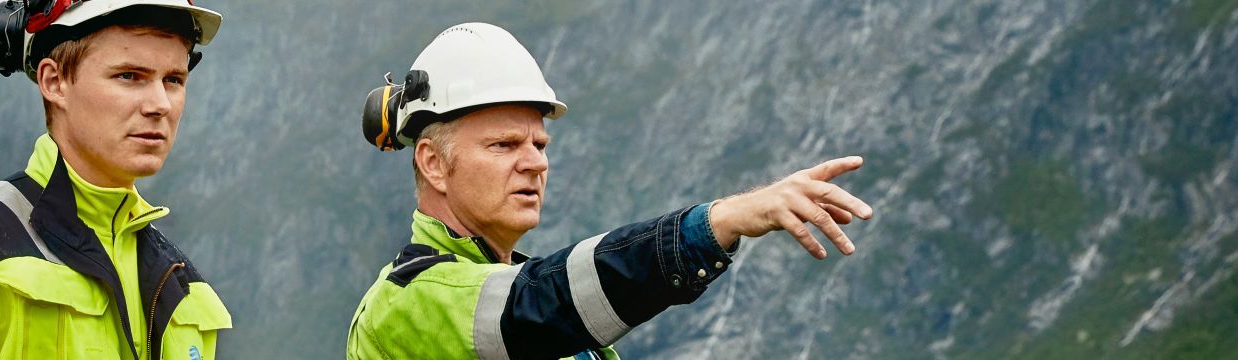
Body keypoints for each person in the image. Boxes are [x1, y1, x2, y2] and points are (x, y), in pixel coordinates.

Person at [346, 23, 879, 360]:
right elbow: (538, 305)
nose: (535, 162)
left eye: (539, 143)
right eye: (504, 145)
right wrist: (718, 222)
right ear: (433, 164)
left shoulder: (550, 320)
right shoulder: (405, 302)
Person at [0, 1, 232, 358]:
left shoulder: (183, 285)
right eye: (129, 76)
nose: (160, 104)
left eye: (174, 80)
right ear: (54, 82)